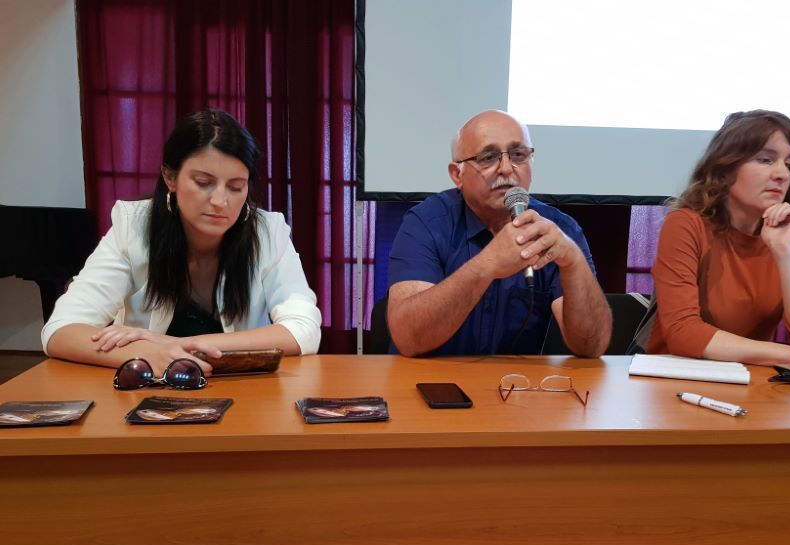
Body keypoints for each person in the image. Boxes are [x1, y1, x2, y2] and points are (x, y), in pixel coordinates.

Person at [42, 108, 321, 375]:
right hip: (150, 390)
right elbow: (61, 330)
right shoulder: (133, 227)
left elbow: (304, 330)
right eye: (203, 182)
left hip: (243, 390)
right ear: (170, 177)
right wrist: (147, 354)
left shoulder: (267, 232)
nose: (220, 201)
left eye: (236, 187)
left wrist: (170, 344)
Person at [647, 109, 790, 369]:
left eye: (788, 163)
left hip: (751, 378)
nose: (782, 174)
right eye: (766, 160)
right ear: (724, 170)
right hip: (677, 373)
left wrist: (785, 253)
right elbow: (683, 333)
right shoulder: (686, 224)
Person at [387, 110, 611, 357]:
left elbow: (591, 346)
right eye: (488, 157)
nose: (506, 169)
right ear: (457, 174)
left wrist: (574, 262)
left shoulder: (558, 229)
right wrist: (487, 264)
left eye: (518, 155)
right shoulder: (426, 223)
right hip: (430, 377)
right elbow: (408, 339)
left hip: (517, 380)